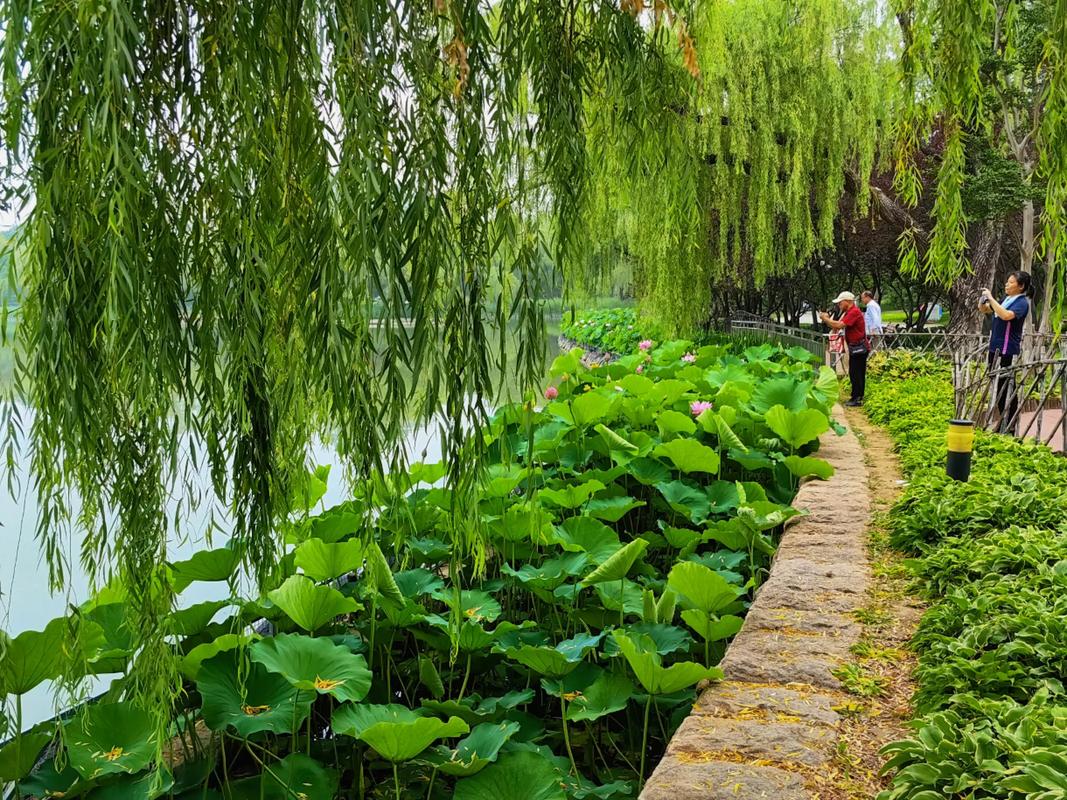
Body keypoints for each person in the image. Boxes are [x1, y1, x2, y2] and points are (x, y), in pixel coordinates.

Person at [978, 271, 1031, 432]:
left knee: (1007, 384)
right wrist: (983, 302)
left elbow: (1006, 315)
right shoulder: (1007, 299)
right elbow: (988, 310)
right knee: (998, 384)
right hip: (995, 347)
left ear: (1021, 286)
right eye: (1007, 282)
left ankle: (1010, 423)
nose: (1007, 285)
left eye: (1011, 283)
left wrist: (992, 298)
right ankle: (1004, 420)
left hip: (1007, 349)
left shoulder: (1022, 303)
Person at [820, 291, 868, 406]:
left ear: (847, 301)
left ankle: (856, 398)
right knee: (856, 372)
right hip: (855, 347)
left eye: (840, 303)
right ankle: (857, 396)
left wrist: (826, 319)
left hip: (858, 347)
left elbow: (839, 325)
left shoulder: (854, 312)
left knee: (855, 373)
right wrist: (827, 320)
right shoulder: (849, 312)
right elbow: (836, 324)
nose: (839, 305)